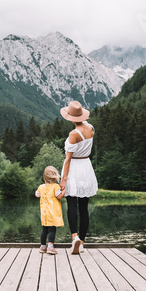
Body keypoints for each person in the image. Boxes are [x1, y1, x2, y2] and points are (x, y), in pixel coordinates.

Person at [59, 101, 98, 254]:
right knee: (83, 207)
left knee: (71, 204)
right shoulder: (91, 129)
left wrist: (63, 179)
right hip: (86, 167)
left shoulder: (73, 134)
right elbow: (85, 124)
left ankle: (74, 237)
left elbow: (68, 159)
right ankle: (81, 242)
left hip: (74, 167)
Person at [35, 166, 65, 255]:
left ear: (44, 178)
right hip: (52, 213)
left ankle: (43, 246)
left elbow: (37, 194)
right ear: (55, 178)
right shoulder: (55, 187)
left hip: (44, 213)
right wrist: (64, 191)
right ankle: (50, 247)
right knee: (52, 229)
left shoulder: (41, 187)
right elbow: (59, 196)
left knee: (44, 230)